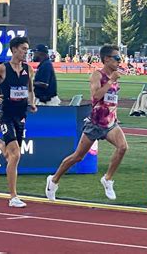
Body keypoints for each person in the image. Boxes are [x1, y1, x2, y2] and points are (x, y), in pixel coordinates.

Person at [45, 44, 128, 201]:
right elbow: (96, 96)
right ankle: (54, 180)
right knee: (77, 156)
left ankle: (108, 179)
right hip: (95, 123)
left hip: (110, 123)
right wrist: (111, 81)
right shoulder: (97, 75)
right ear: (107, 59)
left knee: (123, 147)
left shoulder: (115, 77)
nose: (120, 61)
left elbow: (111, 100)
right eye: (117, 58)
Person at [0, 36, 38, 208]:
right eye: (23, 49)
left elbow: (30, 90)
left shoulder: (28, 69)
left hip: (21, 116)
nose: (26, 52)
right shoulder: (2, 69)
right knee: (16, 155)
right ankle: (13, 196)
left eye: (27, 49)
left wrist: (32, 103)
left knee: (9, 155)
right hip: (6, 115)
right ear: (14, 50)